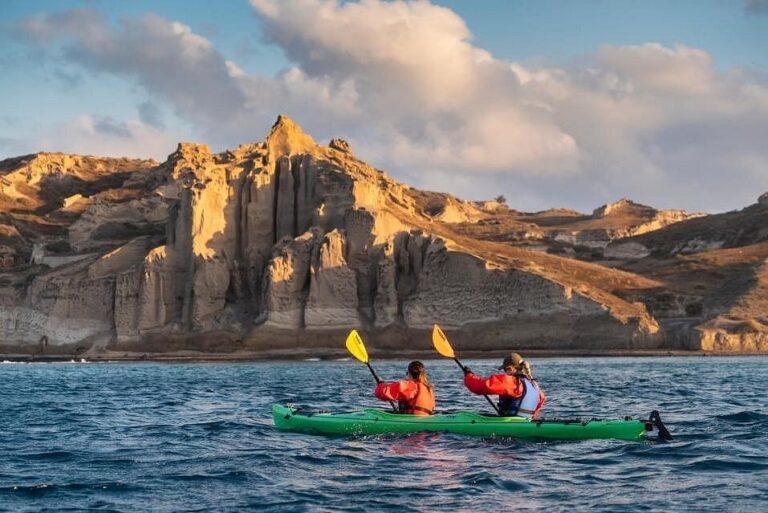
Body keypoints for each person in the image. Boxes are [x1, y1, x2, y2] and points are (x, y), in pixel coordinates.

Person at [463, 352, 545, 417]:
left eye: (505, 370)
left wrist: (469, 375)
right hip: (526, 422)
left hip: (511, 424)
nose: (505, 373)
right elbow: (540, 401)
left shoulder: (512, 382)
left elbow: (480, 386)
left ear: (510, 368)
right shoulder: (533, 384)